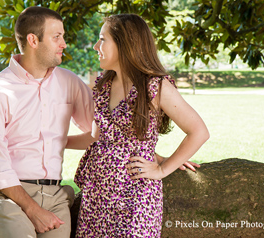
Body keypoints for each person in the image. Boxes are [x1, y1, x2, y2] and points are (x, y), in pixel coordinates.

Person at [72, 14, 209, 237]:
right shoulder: (104, 85)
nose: (97, 46)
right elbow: (97, 138)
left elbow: (199, 132)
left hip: (135, 197)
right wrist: (58, 142)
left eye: (102, 39)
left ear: (125, 44)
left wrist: (164, 168)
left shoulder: (155, 86)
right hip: (96, 197)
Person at [0, 6, 94, 238]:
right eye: (57, 37)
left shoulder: (69, 82)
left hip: (55, 197)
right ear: (33, 40)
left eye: (63, 37)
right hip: (7, 196)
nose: (64, 44)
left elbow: (104, 130)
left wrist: (155, 157)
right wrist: (32, 209)